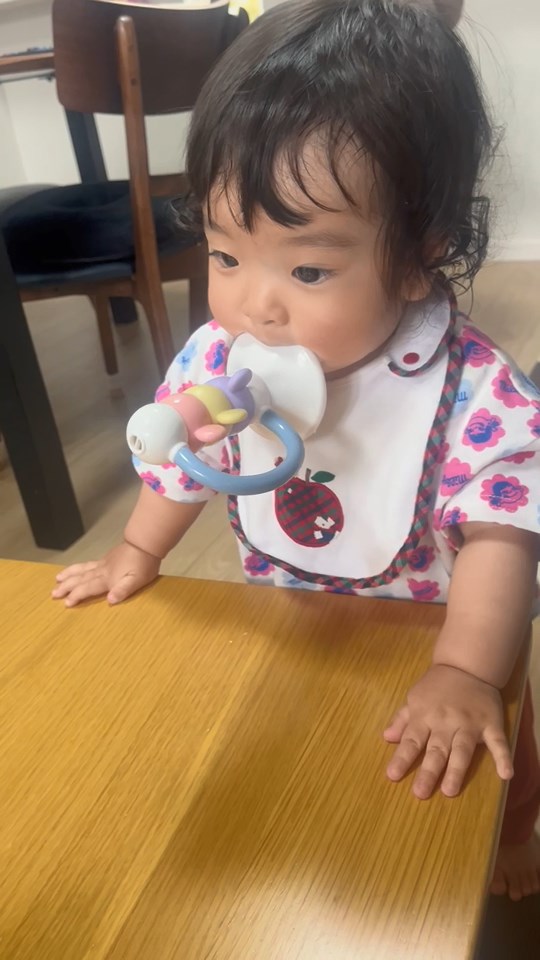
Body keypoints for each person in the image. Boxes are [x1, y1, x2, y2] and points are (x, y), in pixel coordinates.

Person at [53, 0, 540, 900]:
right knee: (299, 764)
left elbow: (502, 540)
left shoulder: (471, 395)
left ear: (417, 257)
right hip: (292, 616)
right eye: (226, 255)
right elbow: (187, 458)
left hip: (439, 635)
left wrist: (465, 669)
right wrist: (137, 549)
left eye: (308, 269)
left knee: (488, 757)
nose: (255, 305)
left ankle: (514, 841)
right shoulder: (223, 359)